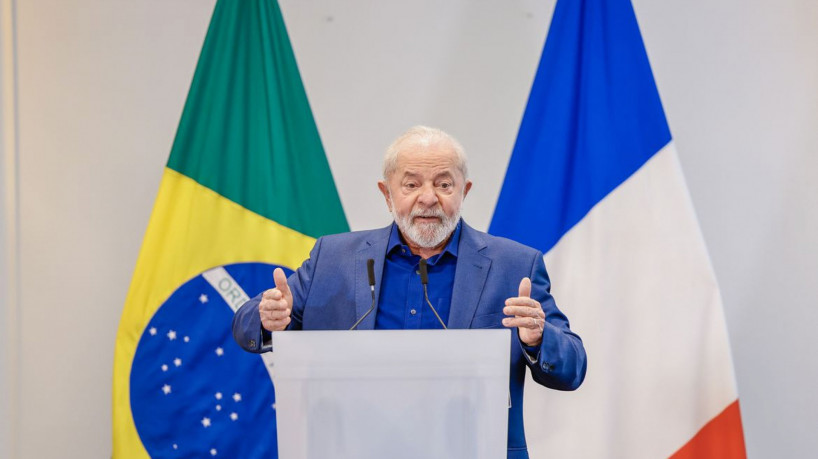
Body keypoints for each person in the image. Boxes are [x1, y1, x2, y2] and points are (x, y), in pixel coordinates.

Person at [232, 126, 587, 459]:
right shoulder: (334, 258)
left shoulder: (514, 265)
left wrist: (538, 339)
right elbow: (247, 326)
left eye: (444, 185)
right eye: (411, 185)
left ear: (464, 192)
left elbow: (572, 367)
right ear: (387, 194)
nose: (428, 198)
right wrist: (267, 318)